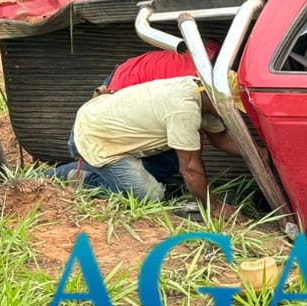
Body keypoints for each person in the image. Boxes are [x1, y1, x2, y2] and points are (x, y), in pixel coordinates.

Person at [63, 75, 243, 219]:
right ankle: (86, 181)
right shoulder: (184, 109)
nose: (233, 113)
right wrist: (214, 206)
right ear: (217, 99)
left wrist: (260, 154)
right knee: (152, 196)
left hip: (105, 126)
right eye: (232, 107)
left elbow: (220, 138)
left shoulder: (197, 89)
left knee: (176, 156)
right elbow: (190, 169)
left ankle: (107, 173)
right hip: (94, 137)